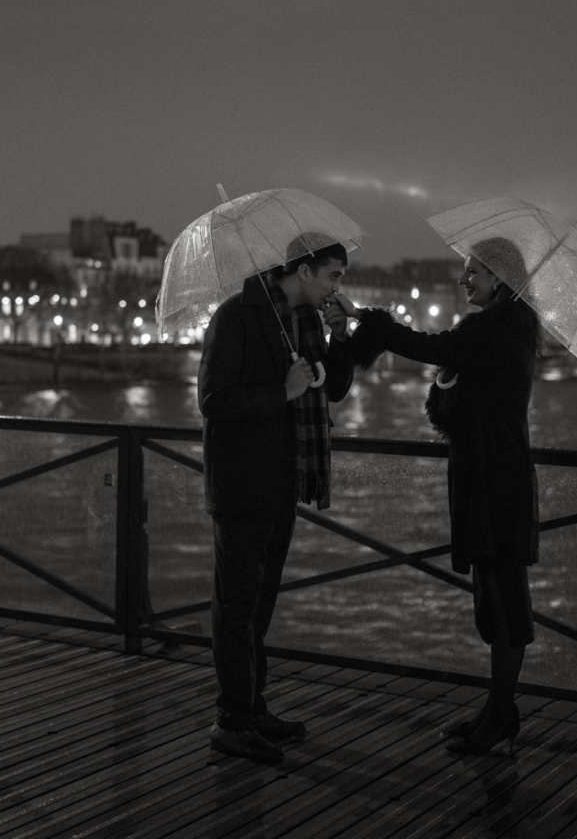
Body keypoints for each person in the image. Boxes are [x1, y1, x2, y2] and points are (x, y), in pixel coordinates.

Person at [346, 237, 539, 755]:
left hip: (493, 479)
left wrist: (371, 323)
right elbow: (451, 364)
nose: (463, 280)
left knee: (501, 599)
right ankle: (497, 709)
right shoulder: (507, 329)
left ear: (499, 278)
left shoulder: (492, 330)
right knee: (497, 595)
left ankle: (499, 715)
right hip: (496, 474)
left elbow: (430, 347)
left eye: (472, 271)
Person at [199, 236, 356, 764]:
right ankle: (230, 720)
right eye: (332, 276)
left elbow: (331, 391)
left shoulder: (306, 322)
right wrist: (281, 393)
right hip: (242, 483)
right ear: (305, 270)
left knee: (259, 607)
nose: (337, 287)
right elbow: (213, 400)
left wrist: (342, 336)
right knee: (236, 608)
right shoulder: (237, 316)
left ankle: (253, 707)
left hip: (282, 480)